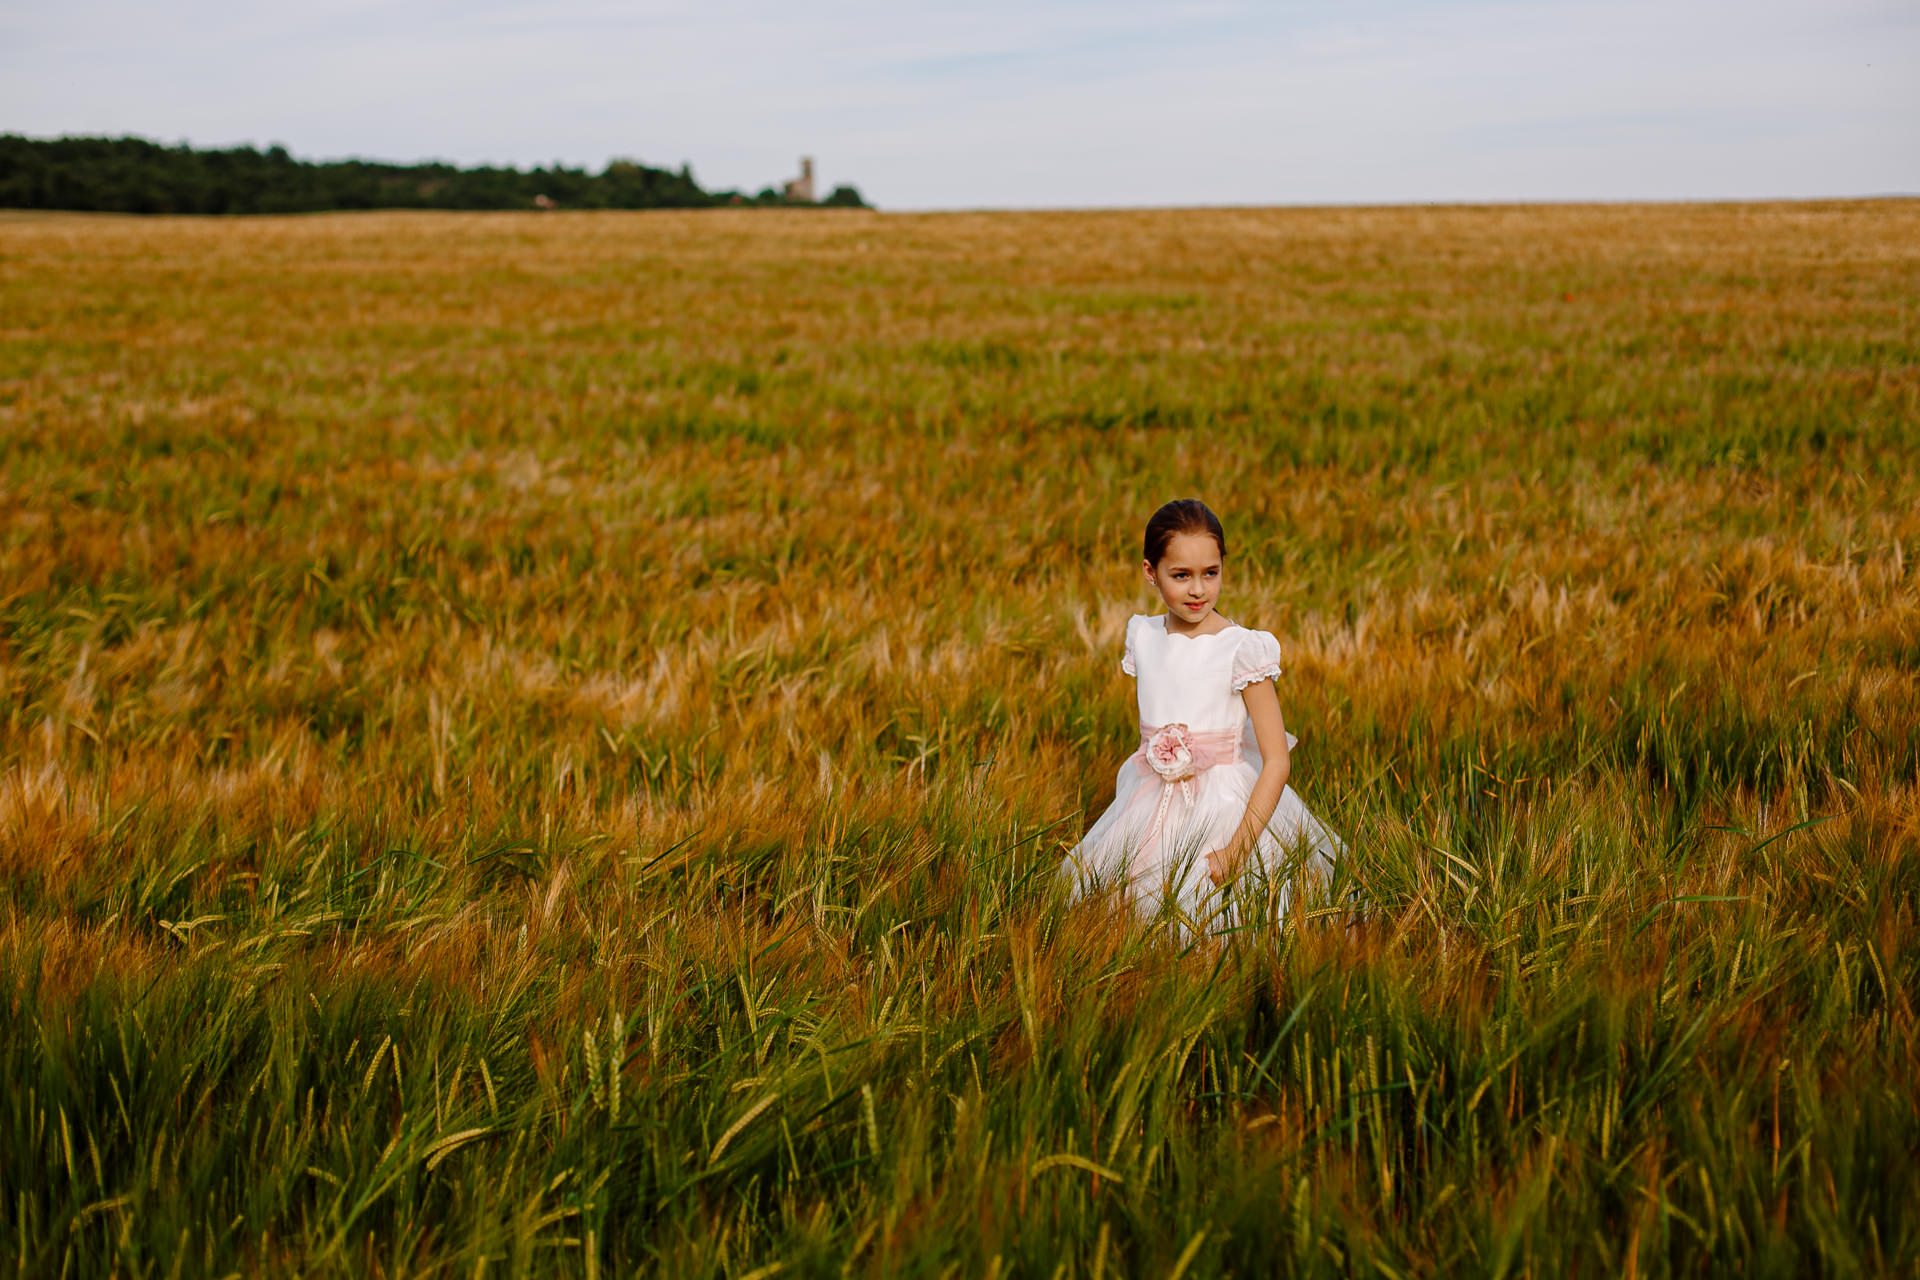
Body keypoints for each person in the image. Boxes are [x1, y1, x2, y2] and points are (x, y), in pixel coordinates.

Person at [1063, 498, 1342, 928]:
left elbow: (1277, 760)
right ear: (1149, 573)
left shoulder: (1241, 648)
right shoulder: (1143, 636)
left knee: (1223, 922)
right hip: (1148, 802)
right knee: (1124, 915)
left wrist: (1236, 850)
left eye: (1211, 573)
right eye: (1181, 576)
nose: (1198, 590)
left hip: (1226, 812)